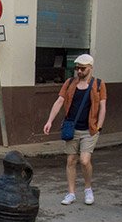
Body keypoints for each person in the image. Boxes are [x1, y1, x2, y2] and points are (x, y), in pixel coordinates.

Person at [42, 53, 108, 205]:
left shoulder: (99, 84)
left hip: (90, 129)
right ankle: (71, 193)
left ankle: (87, 188)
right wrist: (49, 121)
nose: (79, 71)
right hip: (71, 128)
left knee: (85, 161)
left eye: (82, 68)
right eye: (77, 68)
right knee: (71, 160)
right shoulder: (70, 83)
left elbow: (103, 107)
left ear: (90, 68)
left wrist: (99, 126)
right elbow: (59, 101)